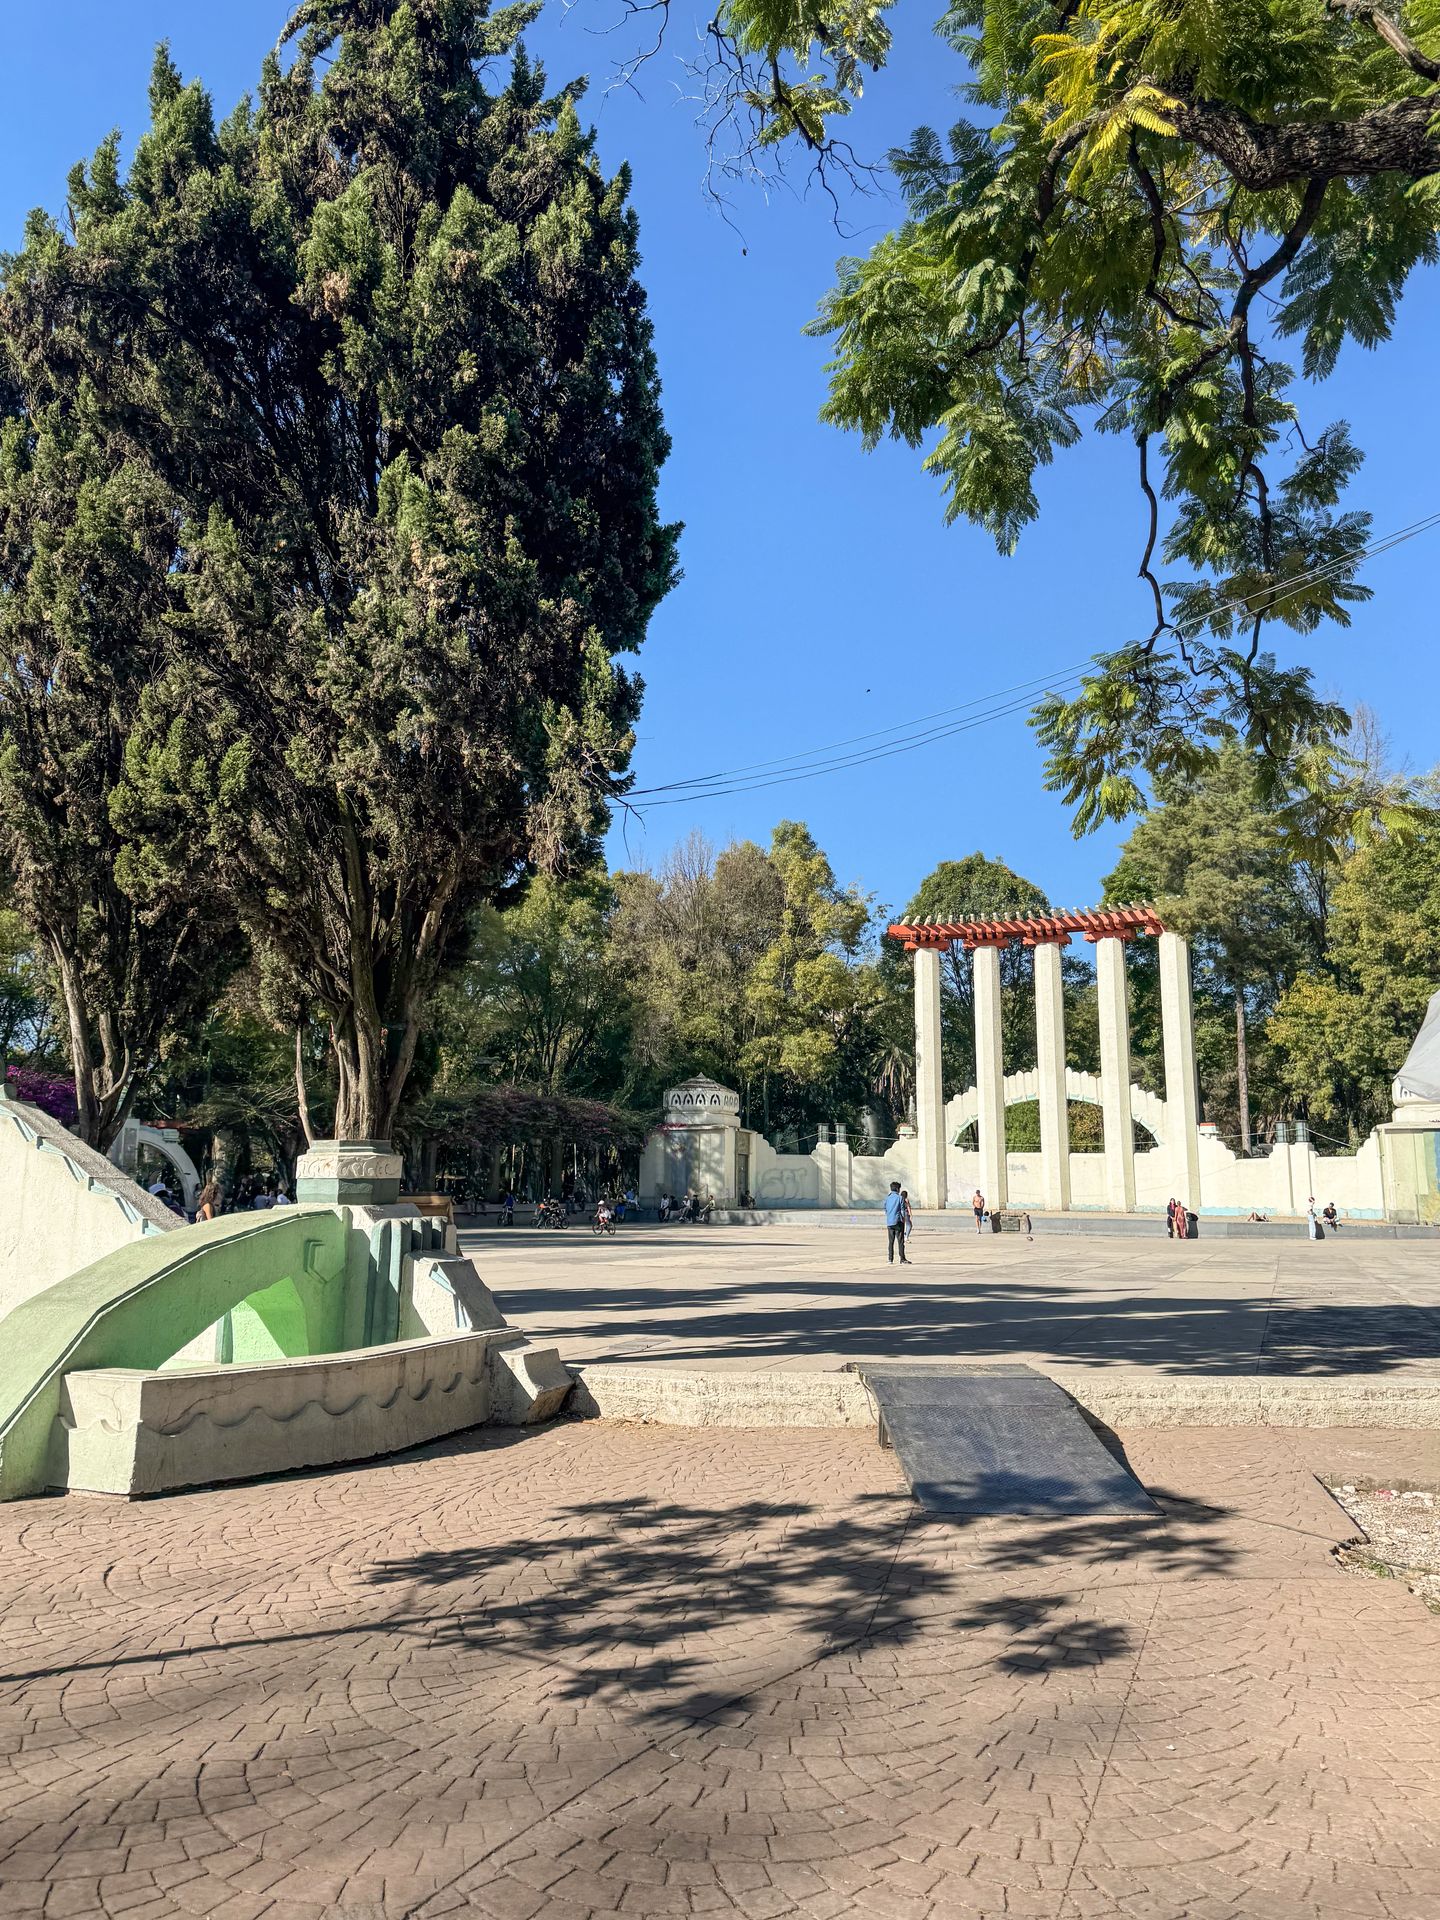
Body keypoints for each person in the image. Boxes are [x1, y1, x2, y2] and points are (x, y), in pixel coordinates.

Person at [885, 1181, 909, 1265]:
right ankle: (902, 1259)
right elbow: (902, 1210)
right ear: (898, 1189)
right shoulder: (900, 1198)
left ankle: (890, 1259)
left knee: (891, 1242)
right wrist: (904, 1219)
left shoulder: (887, 1198)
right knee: (900, 1241)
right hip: (898, 1221)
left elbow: (885, 1209)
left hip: (889, 1222)